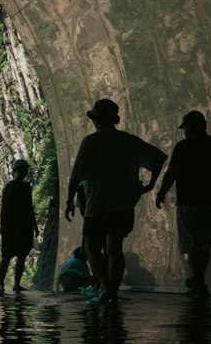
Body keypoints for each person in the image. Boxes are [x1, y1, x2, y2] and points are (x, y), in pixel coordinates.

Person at [64, 98, 167, 306]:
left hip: (97, 203)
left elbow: (76, 176)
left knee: (92, 248)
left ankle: (108, 288)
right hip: (123, 204)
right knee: (115, 248)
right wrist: (150, 185)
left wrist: (69, 200)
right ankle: (113, 290)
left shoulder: (90, 142)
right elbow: (158, 159)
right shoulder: (128, 140)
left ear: (97, 120)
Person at [154, 110, 211, 297]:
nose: (184, 132)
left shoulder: (183, 147)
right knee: (204, 242)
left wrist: (161, 192)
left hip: (189, 200)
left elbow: (171, 172)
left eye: (185, 128)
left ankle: (197, 279)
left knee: (191, 243)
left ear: (189, 127)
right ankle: (199, 278)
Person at [0, 158, 36, 293]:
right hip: (13, 226)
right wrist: (3, 225)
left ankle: (16, 284)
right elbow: (5, 207)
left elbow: (30, 208)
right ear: (16, 171)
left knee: (21, 256)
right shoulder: (10, 186)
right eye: (22, 169)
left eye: (25, 169)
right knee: (7, 255)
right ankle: (1, 284)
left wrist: (34, 226)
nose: (24, 172)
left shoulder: (26, 187)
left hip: (23, 226)